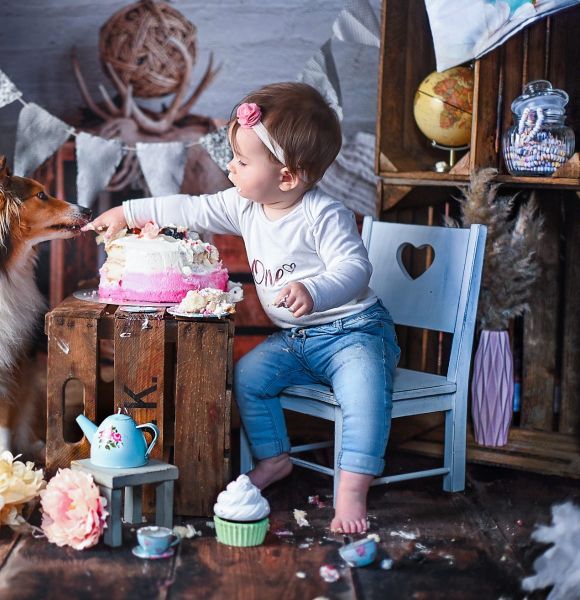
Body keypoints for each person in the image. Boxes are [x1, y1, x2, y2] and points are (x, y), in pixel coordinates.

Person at [82, 82, 400, 534]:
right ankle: (275, 460)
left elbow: (355, 268)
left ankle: (351, 491)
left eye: (243, 161)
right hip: (298, 340)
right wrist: (129, 212)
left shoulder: (323, 214)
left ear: (287, 176)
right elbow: (190, 208)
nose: (230, 167)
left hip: (354, 333)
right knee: (249, 377)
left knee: (363, 396)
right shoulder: (245, 206)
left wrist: (314, 290)